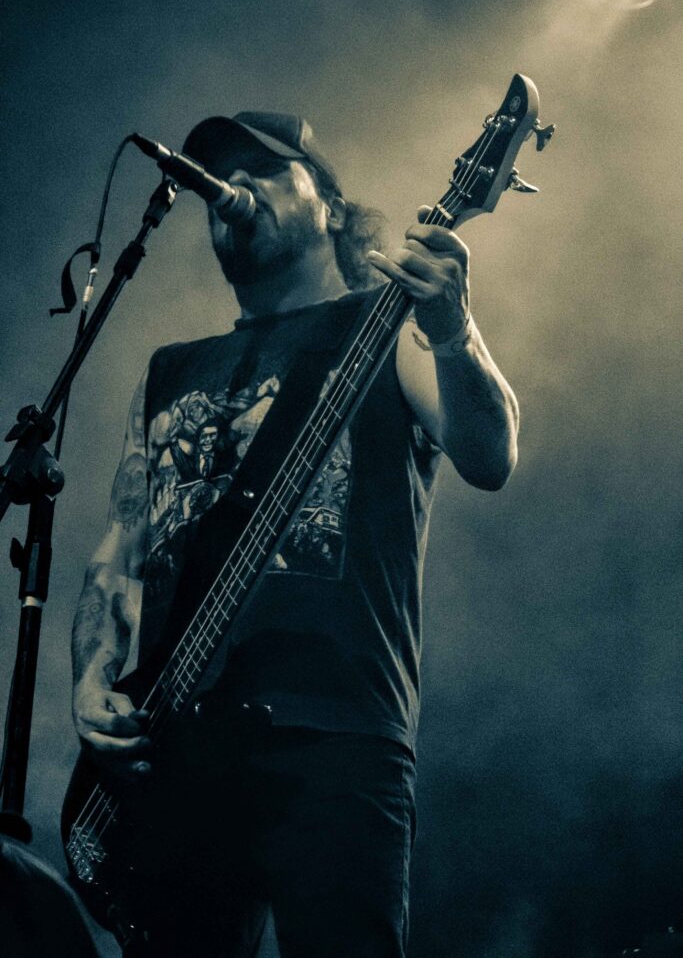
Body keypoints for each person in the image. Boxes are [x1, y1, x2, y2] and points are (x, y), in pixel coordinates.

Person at [68, 112, 519, 957]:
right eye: (220, 173)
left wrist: (452, 329)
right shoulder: (169, 370)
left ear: (332, 207)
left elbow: (490, 456)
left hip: (333, 734)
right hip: (173, 751)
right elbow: (118, 554)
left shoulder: (388, 322)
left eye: (266, 168)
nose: (233, 186)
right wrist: (92, 682)